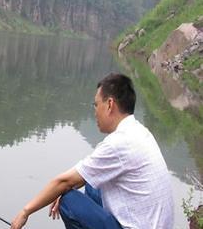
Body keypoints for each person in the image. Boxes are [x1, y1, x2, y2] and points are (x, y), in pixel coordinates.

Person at [10, 73, 174, 229]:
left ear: (109, 105)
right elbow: (78, 179)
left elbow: (64, 182)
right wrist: (66, 187)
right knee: (91, 186)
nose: (95, 111)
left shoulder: (118, 143)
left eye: (96, 105)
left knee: (69, 201)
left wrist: (26, 211)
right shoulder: (139, 131)